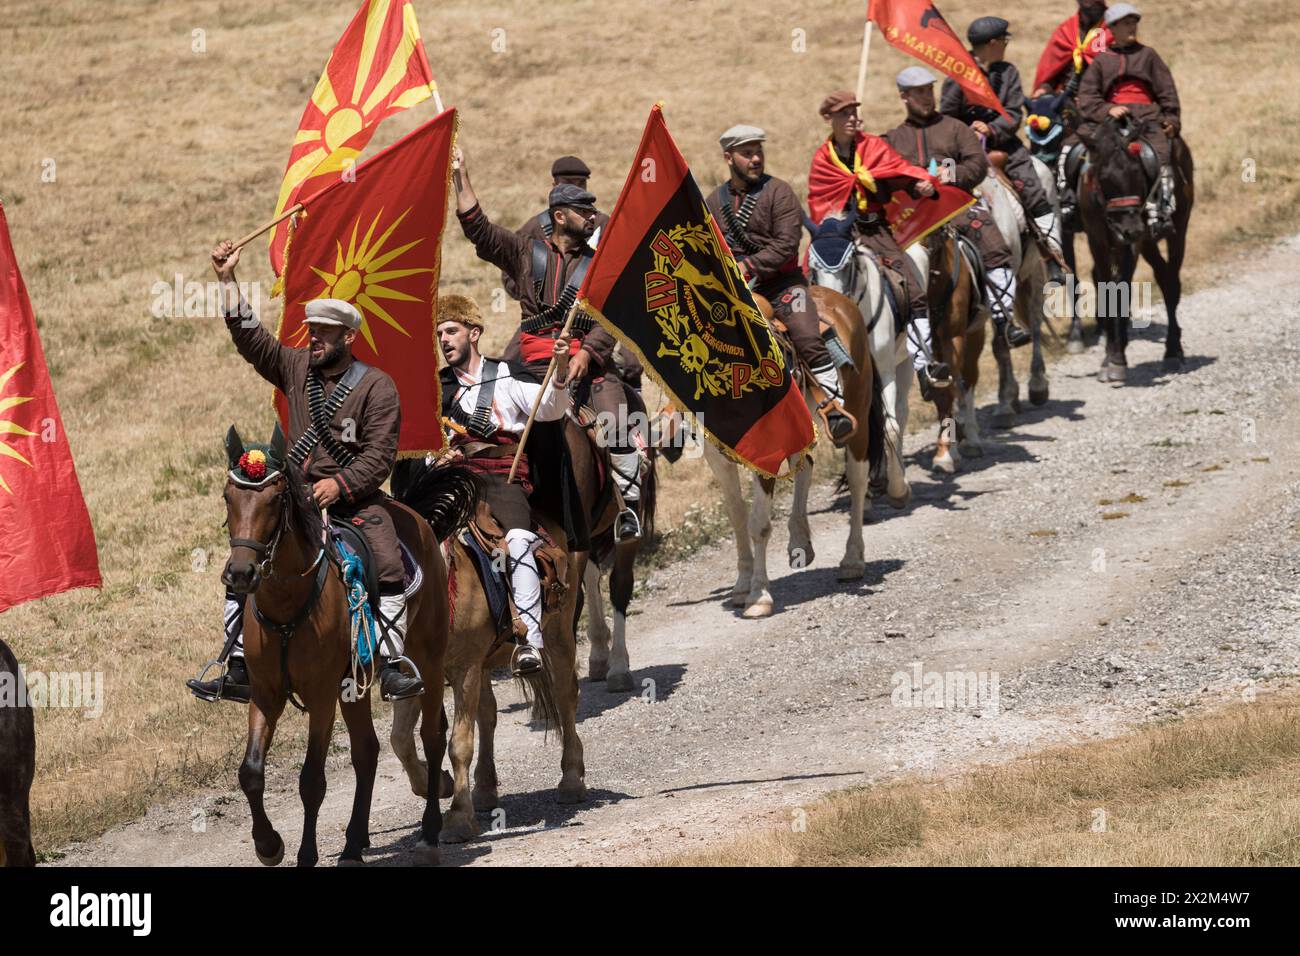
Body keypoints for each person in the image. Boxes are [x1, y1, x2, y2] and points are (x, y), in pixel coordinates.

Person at [188, 240, 423, 703]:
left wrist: (341, 483)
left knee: (389, 561)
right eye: (312, 329)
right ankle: (236, 663)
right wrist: (227, 279)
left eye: (325, 332)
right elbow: (251, 339)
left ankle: (391, 661)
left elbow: (379, 456)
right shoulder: (294, 366)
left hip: (355, 503)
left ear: (348, 337)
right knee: (242, 560)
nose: (314, 337)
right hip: (296, 502)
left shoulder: (378, 386)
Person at [454, 147, 645, 541]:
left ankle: (628, 506)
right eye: (583, 212)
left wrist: (589, 352)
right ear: (560, 216)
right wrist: (461, 177)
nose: (593, 217)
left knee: (616, 418)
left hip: (587, 367)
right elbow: (479, 228)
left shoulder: (601, 261)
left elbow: (611, 317)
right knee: (485, 416)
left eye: (592, 211)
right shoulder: (525, 250)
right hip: (531, 368)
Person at [436, 294, 572, 675]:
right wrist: (436, 457)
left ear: (474, 333)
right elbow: (428, 442)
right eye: (439, 334)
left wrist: (559, 368)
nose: (444, 340)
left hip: (502, 478)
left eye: (452, 331)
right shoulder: (438, 389)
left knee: (517, 542)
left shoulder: (506, 376)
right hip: (453, 480)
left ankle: (529, 640)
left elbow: (550, 407)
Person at [706, 124, 854, 443]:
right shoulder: (713, 201)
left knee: (805, 332)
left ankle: (833, 406)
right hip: (733, 291)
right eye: (747, 153)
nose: (756, 158)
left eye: (758, 151)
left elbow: (787, 244)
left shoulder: (780, 191)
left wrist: (747, 266)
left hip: (783, 286)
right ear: (728, 157)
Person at [807, 89, 952, 396]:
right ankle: (820, 366)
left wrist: (917, 183)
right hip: (839, 236)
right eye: (844, 114)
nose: (852, 119)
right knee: (813, 288)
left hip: (875, 231)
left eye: (854, 112)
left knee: (910, 283)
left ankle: (924, 362)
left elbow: (897, 172)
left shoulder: (872, 146)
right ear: (828, 119)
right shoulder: (822, 159)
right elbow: (820, 200)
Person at [884, 67, 1028, 348]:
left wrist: (951, 177)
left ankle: (1004, 319)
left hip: (956, 206)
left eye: (929, 90)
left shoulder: (955, 128)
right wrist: (912, 185)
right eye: (919, 93)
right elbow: (885, 176)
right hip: (912, 216)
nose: (927, 98)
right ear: (904, 97)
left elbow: (977, 163)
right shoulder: (893, 139)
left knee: (994, 244)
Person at [942, 16, 1066, 283]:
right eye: (1004, 41)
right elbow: (947, 116)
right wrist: (967, 132)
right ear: (993, 43)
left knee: (1034, 189)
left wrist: (990, 129)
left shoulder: (1008, 72)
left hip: (1006, 148)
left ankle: (1052, 254)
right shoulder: (958, 75)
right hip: (964, 152)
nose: (1006, 45)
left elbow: (1012, 113)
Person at [1077, 4, 1181, 236]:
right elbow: (1087, 96)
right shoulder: (1102, 61)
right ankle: (1072, 202)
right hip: (1112, 121)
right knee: (1077, 150)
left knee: (1160, 153)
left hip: (1147, 119)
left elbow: (1167, 91)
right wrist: (1107, 110)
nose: (1131, 27)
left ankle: (1160, 208)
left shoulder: (1149, 56)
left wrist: (1171, 119)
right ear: (1112, 28)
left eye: (1133, 22)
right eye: (1125, 23)